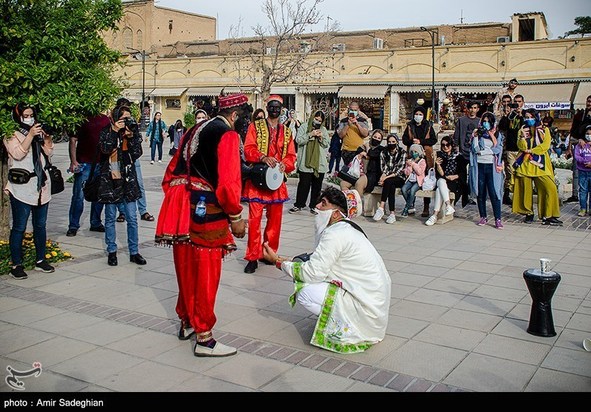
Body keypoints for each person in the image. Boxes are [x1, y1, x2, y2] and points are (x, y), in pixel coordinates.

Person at [155, 93, 248, 357]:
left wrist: (179, 197)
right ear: (236, 115)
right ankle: (204, 338)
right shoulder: (227, 134)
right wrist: (236, 217)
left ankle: (187, 323)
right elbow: (229, 184)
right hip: (205, 206)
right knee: (207, 272)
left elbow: (172, 170)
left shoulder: (196, 127)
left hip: (180, 204)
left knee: (185, 267)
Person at [262, 186, 391, 354]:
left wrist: (278, 263)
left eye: (323, 204)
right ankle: (340, 318)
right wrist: (284, 260)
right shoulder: (347, 228)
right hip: (375, 311)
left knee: (304, 291)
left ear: (336, 213)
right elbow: (317, 262)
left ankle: (345, 326)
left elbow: (312, 273)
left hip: (366, 311)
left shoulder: (334, 234)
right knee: (308, 274)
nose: (317, 208)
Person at [242, 95, 297, 274]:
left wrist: (284, 164)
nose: (274, 109)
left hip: (276, 182)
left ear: (281, 109)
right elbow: (248, 149)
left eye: (277, 106)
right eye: (271, 106)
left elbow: (291, 157)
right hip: (258, 180)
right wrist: (262, 157)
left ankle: (269, 253)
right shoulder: (254, 126)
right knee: (254, 220)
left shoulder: (287, 132)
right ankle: (252, 256)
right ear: (267, 107)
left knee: (275, 222)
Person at [4, 103, 56, 279]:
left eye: (31, 115)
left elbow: (48, 153)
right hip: (22, 188)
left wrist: (46, 138)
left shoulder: (38, 132)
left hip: (41, 186)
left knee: (40, 225)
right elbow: (18, 154)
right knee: (19, 227)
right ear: (18, 117)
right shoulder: (11, 134)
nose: (29, 118)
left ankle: (40, 260)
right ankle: (16, 264)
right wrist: (30, 136)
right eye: (25, 115)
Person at [98, 104, 147, 266]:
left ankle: (134, 252)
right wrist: (114, 132)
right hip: (111, 181)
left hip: (129, 181)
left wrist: (131, 136)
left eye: (128, 118)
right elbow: (105, 149)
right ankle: (112, 251)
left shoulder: (131, 132)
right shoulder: (106, 131)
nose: (126, 122)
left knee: (132, 218)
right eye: (123, 119)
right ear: (115, 119)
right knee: (110, 217)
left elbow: (137, 153)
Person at [512, 108, 562, 226]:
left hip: (540, 163)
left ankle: (549, 215)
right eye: (526, 117)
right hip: (525, 163)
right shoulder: (522, 130)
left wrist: (532, 150)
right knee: (525, 190)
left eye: (531, 117)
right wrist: (522, 138)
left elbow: (545, 146)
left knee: (550, 188)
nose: (529, 120)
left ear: (536, 117)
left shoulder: (544, 130)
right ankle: (528, 213)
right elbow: (520, 146)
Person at [66, 113, 109, 237]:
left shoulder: (105, 119)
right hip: (84, 163)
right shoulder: (80, 119)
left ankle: (95, 222)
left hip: (100, 163)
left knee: (99, 195)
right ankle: (73, 225)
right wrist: (74, 161)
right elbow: (73, 140)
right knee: (78, 196)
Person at [468, 112, 505, 229]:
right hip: (479, 165)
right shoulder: (478, 133)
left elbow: (498, 148)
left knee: (494, 193)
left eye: (488, 121)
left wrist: (486, 151)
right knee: (480, 192)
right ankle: (483, 216)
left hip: (492, 166)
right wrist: (475, 136)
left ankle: (498, 218)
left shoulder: (497, 134)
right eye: (484, 121)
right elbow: (475, 149)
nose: (486, 123)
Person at [289, 110, 329, 215]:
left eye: (320, 121)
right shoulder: (304, 127)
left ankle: (314, 205)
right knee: (303, 184)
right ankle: (299, 204)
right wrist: (310, 134)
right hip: (305, 161)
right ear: (312, 117)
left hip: (319, 162)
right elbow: (298, 140)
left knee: (317, 185)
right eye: (316, 119)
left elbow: (326, 144)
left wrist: (321, 137)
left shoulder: (323, 129)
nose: (317, 122)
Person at [402, 106, 437, 216]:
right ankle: (411, 204)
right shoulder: (409, 125)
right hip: (413, 155)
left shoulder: (428, 126)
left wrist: (421, 141)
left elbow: (433, 140)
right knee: (412, 178)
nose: (418, 116)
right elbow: (404, 139)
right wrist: (412, 142)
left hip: (426, 156)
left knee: (425, 180)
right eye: (416, 114)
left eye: (420, 114)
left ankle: (426, 207)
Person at [425, 135, 459, 226]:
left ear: (452, 145)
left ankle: (434, 215)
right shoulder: (440, 155)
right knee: (440, 182)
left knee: (439, 188)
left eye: (447, 145)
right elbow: (441, 175)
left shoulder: (458, 156)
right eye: (443, 145)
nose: (445, 147)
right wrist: (438, 165)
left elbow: (462, 173)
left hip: (453, 182)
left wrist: (454, 176)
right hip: (443, 180)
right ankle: (448, 206)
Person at [372, 133, 406, 224]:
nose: (391, 143)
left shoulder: (402, 152)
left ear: (397, 142)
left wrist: (385, 177)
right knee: (390, 186)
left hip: (399, 178)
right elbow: (384, 168)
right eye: (389, 142)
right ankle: (392, 213)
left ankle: (381, 207)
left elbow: (399, 170)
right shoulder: (383, 152)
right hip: (389, 179)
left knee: (388, 182)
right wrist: (383, 176)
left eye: (393, 142)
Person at [453, 101, 481, 208]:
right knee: (462, 176)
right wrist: (456, 148)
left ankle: (472, 195)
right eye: (471, 108)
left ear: (477, 109)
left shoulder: (479, 121)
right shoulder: (462, 120)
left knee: (473, 176)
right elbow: (457, 135)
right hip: (463, 152)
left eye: (475, 108)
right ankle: (464, 196)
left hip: (474, 153)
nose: (472, 110)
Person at [339, 129, 384, 195]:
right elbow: (357, 152)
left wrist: (367, 147)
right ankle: (350, 201)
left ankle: (358, 203)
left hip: (371, 175)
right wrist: (361, 153)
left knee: (359, 184)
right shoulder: (362, 147)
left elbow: (371, 154)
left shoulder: (381, 149)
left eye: (378, 138)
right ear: (372, 137)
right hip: (358, 173)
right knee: (343, 184)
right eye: (375, 137)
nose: (376, 139)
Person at [565, 94, 591, 203]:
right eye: (588, 101)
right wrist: (569, 148)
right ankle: (575, 195)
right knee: (576, 171)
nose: (589, 104)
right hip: (580, 146)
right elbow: (573, 131)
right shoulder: (580, 115)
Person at [500, 94, 525, 205]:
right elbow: (503, 127)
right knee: (510, 172)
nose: (517, 104)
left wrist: (521, 115)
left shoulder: (524, 115)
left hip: (521, 149)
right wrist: (507, 116)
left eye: (519, 102)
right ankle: (507, 194)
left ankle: (518, 195)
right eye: (515, 102)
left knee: (520, 173)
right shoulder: (510, 116)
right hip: (510, 148)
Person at [337, 101, 370, 166]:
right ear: (349, 110)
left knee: (357, 171)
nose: (353, 112)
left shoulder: (362, 121)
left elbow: (365, 134)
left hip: (359, 151)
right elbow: (340, 135)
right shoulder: (344, 121)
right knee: (347, 171)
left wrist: (357, 124)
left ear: (358, 110)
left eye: (355, 110)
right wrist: (348, 125)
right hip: (346, 150)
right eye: (352, 110)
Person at [400, 144, 427, 217]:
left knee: (412, 191)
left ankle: (406, 208)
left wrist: (413, 164)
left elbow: (419, 172)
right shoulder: (409, 161)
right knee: (403, 189)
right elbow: (407, 173)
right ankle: (411, 205)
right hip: (410, 180)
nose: (414, 153)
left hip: (418, 181)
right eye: (412, 152)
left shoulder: (422, 161)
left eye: (415, 152)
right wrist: (408, 167)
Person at [573, 125, 591, 217]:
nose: (589, 135)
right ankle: (583, 208)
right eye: (587, 134)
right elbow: (577, 156)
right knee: (583, 191)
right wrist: (585, 161)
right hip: (582, 171)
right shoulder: (580, 145)